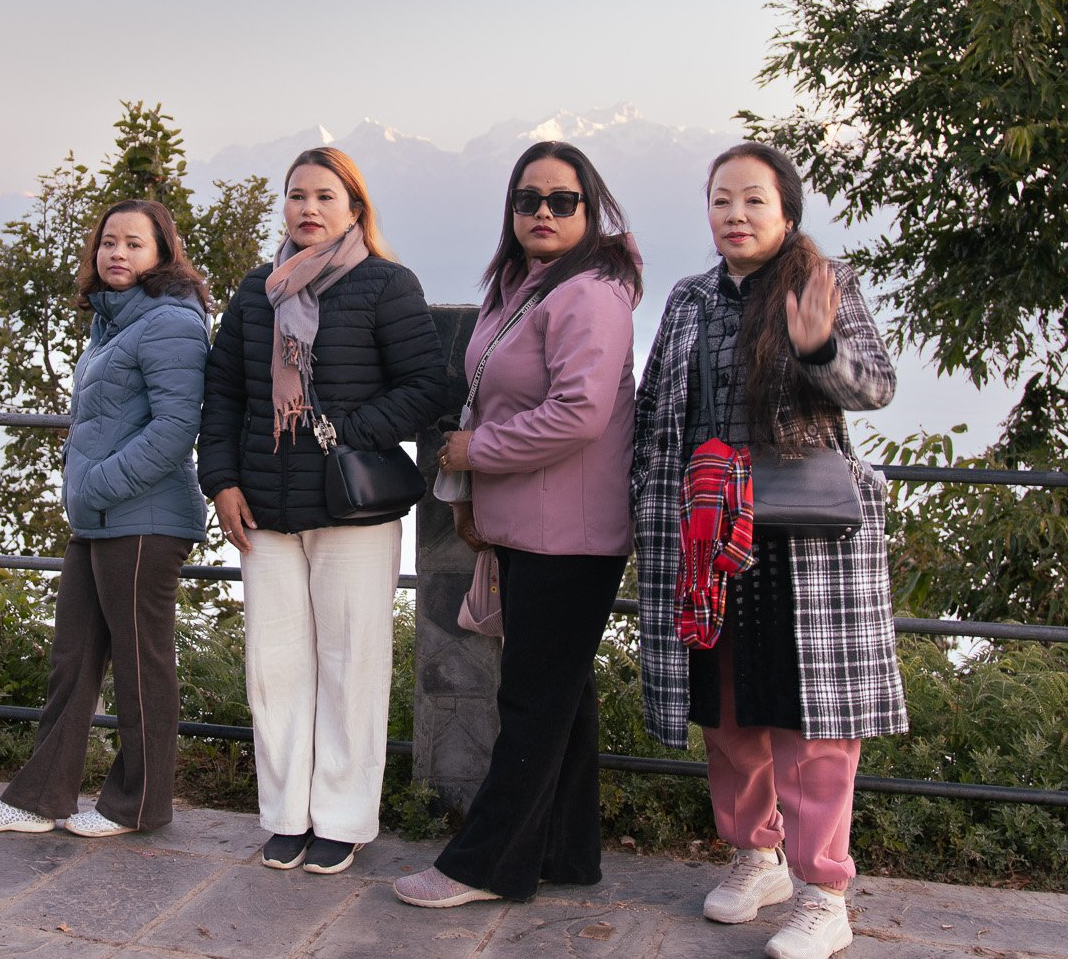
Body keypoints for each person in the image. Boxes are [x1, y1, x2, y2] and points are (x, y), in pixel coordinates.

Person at [630, 142, 902, 959]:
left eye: (753, 199)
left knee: (811, 719)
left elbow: (876, 386)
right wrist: (643, 500)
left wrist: (818, 348)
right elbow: (654, 408)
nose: (736, 215)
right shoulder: (689, 297)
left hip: (802, 539)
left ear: (787, 210)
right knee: (726, 706)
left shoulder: (823, 282)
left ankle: (824, 891)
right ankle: (757, 855)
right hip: (706, 531)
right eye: (722, 200)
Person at [394, 142, 642, 907]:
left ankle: (482, 865)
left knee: (533, 700)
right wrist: (473, 495)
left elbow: (578, 413)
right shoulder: (522, 286)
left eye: (562, 200)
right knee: (560, 696)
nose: (542, 211)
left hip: (571, 535)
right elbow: (491, 390)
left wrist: (476, 453)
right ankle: (566, 853)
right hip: (531, 527)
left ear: (590, 209)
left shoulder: (591, 293)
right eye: (528, 198)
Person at [199, 147, 451, 875]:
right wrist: (221, 481)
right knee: (273, 665)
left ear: (354, 208)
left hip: (351, 506)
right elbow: (224, 393)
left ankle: (341, 818)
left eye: (324, 196)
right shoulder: (259, 290)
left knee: (351, 662)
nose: (308, 208)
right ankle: (286, 815)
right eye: (296, 195)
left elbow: (426, 386)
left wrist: (345, 429)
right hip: (263, 505)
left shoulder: (385, 284)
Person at [0, 200, 212, 839]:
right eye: (108, 241)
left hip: (145, 521)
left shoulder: (171, 322)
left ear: (162, 254)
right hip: (102, 516)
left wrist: (94, 483)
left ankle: (138, 806)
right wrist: (88, 487)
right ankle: (39, 799)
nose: (117, 253)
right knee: (72, 660)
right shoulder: (113, 321)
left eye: (134, 243)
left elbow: (176, 428)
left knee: (141, 666)